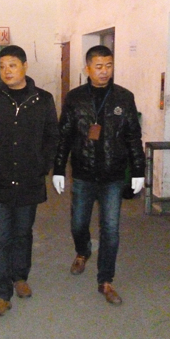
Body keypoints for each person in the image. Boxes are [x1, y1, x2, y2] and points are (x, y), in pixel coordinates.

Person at [52, 45, 145, 305]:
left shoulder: (124, 98)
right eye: (99, 66)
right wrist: (58, 168)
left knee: (110, 228)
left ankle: (105, 280)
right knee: (78, 224)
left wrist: (138, 170)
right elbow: (64, 136)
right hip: (83, 172)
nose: (104, 71)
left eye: (109, 66)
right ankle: (83, 251)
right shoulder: (75, 98)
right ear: (88, 69)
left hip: (113, 175)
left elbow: (133, 137)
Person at [0, 45, 59, 316]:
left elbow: (51, 137)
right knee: (1, 236)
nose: (6, 71)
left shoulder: (42, 100)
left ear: (24, 66)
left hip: (28, 179)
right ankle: (1, 294)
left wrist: (42, 166)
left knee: (23, 232)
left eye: (12, 65)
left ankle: (20, 277)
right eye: (2, 66)